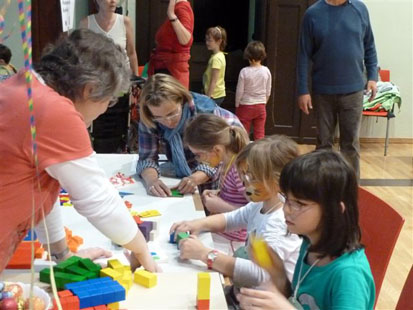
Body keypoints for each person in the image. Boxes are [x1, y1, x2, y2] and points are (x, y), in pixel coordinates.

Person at [0, 29, 158, 273]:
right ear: (89, 89)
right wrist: (141, 248)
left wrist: (61, 254)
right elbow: (99, 200)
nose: (106, 109)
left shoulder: (24, 85)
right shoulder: (54, 111)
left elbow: (43, 181)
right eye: (110, 100)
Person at [237, 150, 375, 310]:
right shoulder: (310, 245)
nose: (287, 209)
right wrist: (278, 274)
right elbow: (296, 299)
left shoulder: (349, 275)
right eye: (287, 199)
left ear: (334, 210)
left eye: (299, 204)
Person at [170, 135, 302, 289]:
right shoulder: (262, 204)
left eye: (251, 177)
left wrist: (204, 254)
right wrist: (197, 223)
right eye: (243, 175)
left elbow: (261, 275)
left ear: (278, 181)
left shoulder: (279, 223)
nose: (244, 182)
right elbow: (232, 218)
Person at [297, 0, 378, 178]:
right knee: (323, 145)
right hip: (322, 92)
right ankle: (323, 188)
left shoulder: (360, 9)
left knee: (350, 145)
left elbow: (370, 46)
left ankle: (351, 191)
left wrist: (372, 77)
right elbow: (303, 55)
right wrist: (303, 90)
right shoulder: (312, 14)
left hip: (354, 91)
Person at [136, 73, 244, 197]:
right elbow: (147, 157)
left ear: (182, 101)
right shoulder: (149, 118)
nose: (167, 121)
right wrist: (152, 181)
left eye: (172, 113)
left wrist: (194, 179)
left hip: (225, 171)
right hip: (193, 167)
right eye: (158, 117)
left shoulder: (205, 114)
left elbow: (216, 160)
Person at [184, 113, 249, 241]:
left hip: (235, 240)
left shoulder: (239, 170)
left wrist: (219, 206)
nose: (199, 160)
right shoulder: (226, 163)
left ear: (217, 150)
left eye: (199, 155)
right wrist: (219, 193)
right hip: (225, 231)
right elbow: (238, 196)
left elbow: (257, 212)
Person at [80, 0, 139, 76]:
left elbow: (131, 53)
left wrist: (137, 79)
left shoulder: (125, 22)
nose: (113, 1)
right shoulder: (86, 23)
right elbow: (83, 56)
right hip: (98, 79)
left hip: (122, 78)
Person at [148, 0, 194, 89]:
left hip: (172, 73)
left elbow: (186, 40)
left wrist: (171, 15)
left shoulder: (182, 7)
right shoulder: (177, 7)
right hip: (167, 71)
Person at [236, 41, 271, 140]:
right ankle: (259, 154)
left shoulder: (244, 71)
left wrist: (237, 105)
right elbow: (268, 91)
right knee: (260, 134)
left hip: (245, 106)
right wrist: (264, 102)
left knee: (243, 133)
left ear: (248, 55)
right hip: (260, 106)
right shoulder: (266, 71)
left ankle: (244, 153)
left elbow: (239, 91)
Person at [203, 26, 227, 106]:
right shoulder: (220, 55)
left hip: (214, 95)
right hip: (217, 94)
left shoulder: (216, 58)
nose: (207, 42)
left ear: (219, 41)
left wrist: (208, 97)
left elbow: (214, 80)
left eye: (210, 40)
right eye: (206, 40)